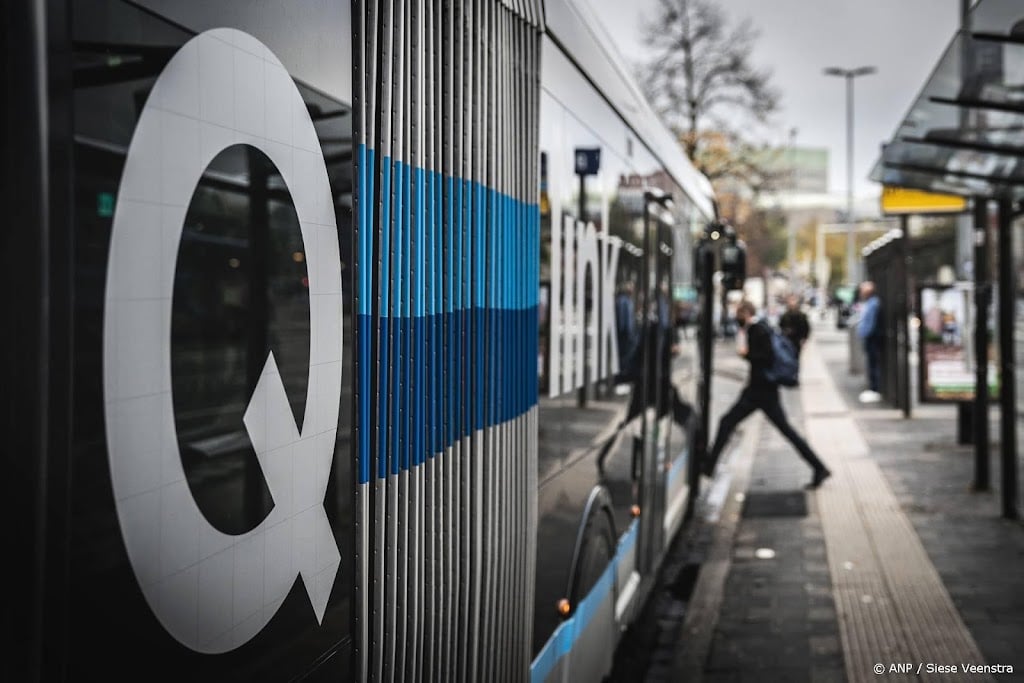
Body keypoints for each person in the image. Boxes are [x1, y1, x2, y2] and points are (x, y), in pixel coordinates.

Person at [701, 300, 830, 489]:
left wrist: (746, 355)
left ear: (746, 313)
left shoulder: (756, 329)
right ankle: (818, 467)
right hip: (763, 390)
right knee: (785, 431)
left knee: (727, 422)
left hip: (759, 391)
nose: (736, 317)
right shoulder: (762, 327)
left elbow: (765, 357)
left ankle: (709, 466)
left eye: (739, 313)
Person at [857, 281, 882, 403]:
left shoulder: (873, 304)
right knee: (872, 363)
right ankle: (874, 388)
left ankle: (875, 388)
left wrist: (863, 333)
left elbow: (870, 323)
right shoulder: (870, 303)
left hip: (872, 338)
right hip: (870, 337)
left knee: (873, 364)